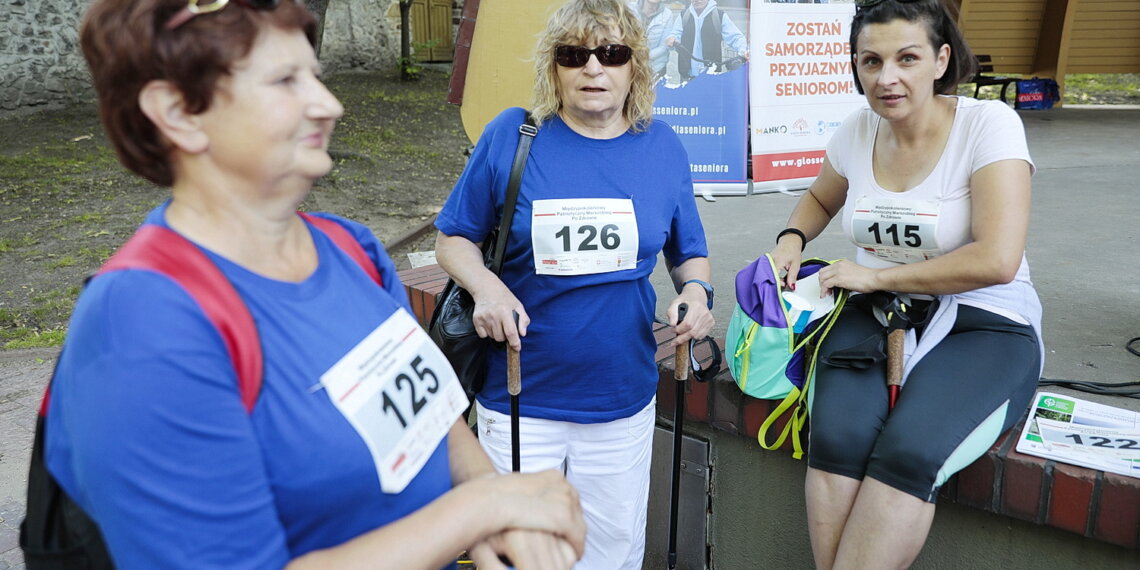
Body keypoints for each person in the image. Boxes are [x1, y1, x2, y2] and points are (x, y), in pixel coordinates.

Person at [43, 0, 586, 568]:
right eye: (284, 80)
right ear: (177, 111)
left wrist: (488, 500)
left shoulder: (351, 249)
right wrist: (480, 509)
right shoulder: (141, 321)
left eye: (316, 77)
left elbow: (432, 420)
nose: (329, 105)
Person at [433, 0, 715, 568]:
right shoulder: (514, 136)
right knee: (516, 555)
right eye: (573, 54)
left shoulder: (661, 147)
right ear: (553, 66)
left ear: (634, 66)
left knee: (609, 556)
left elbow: (690, 253)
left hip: (619, 400)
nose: (593, 69)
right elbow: (453, 239)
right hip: (519, 395)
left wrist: (697, 294)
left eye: (611, 53)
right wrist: (487, 288)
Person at [767, 1, 1043, 567]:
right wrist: (791, 239)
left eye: (907, 58)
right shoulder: (856, 130)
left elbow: (996, 259)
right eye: (870, 61)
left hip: (982, 317)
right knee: (837, 441)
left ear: (941, 60)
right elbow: (822, 196)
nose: (886, 77)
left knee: (910, 452)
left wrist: (877, 276)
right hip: (873, 310)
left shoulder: (988, 125)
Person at [666, 0, 749, 80]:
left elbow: (736, 37)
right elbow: (675, 34)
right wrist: (671, 39)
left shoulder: (719, 16)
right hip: (687, 75)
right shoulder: (684, 16)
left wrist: (743, 50)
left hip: (711, 75)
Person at [628, 0, 677, 79]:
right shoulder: (629, 9)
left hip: (655, 69)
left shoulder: (667, 14)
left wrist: (643, 56)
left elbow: (664, 47)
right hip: (630, 66)